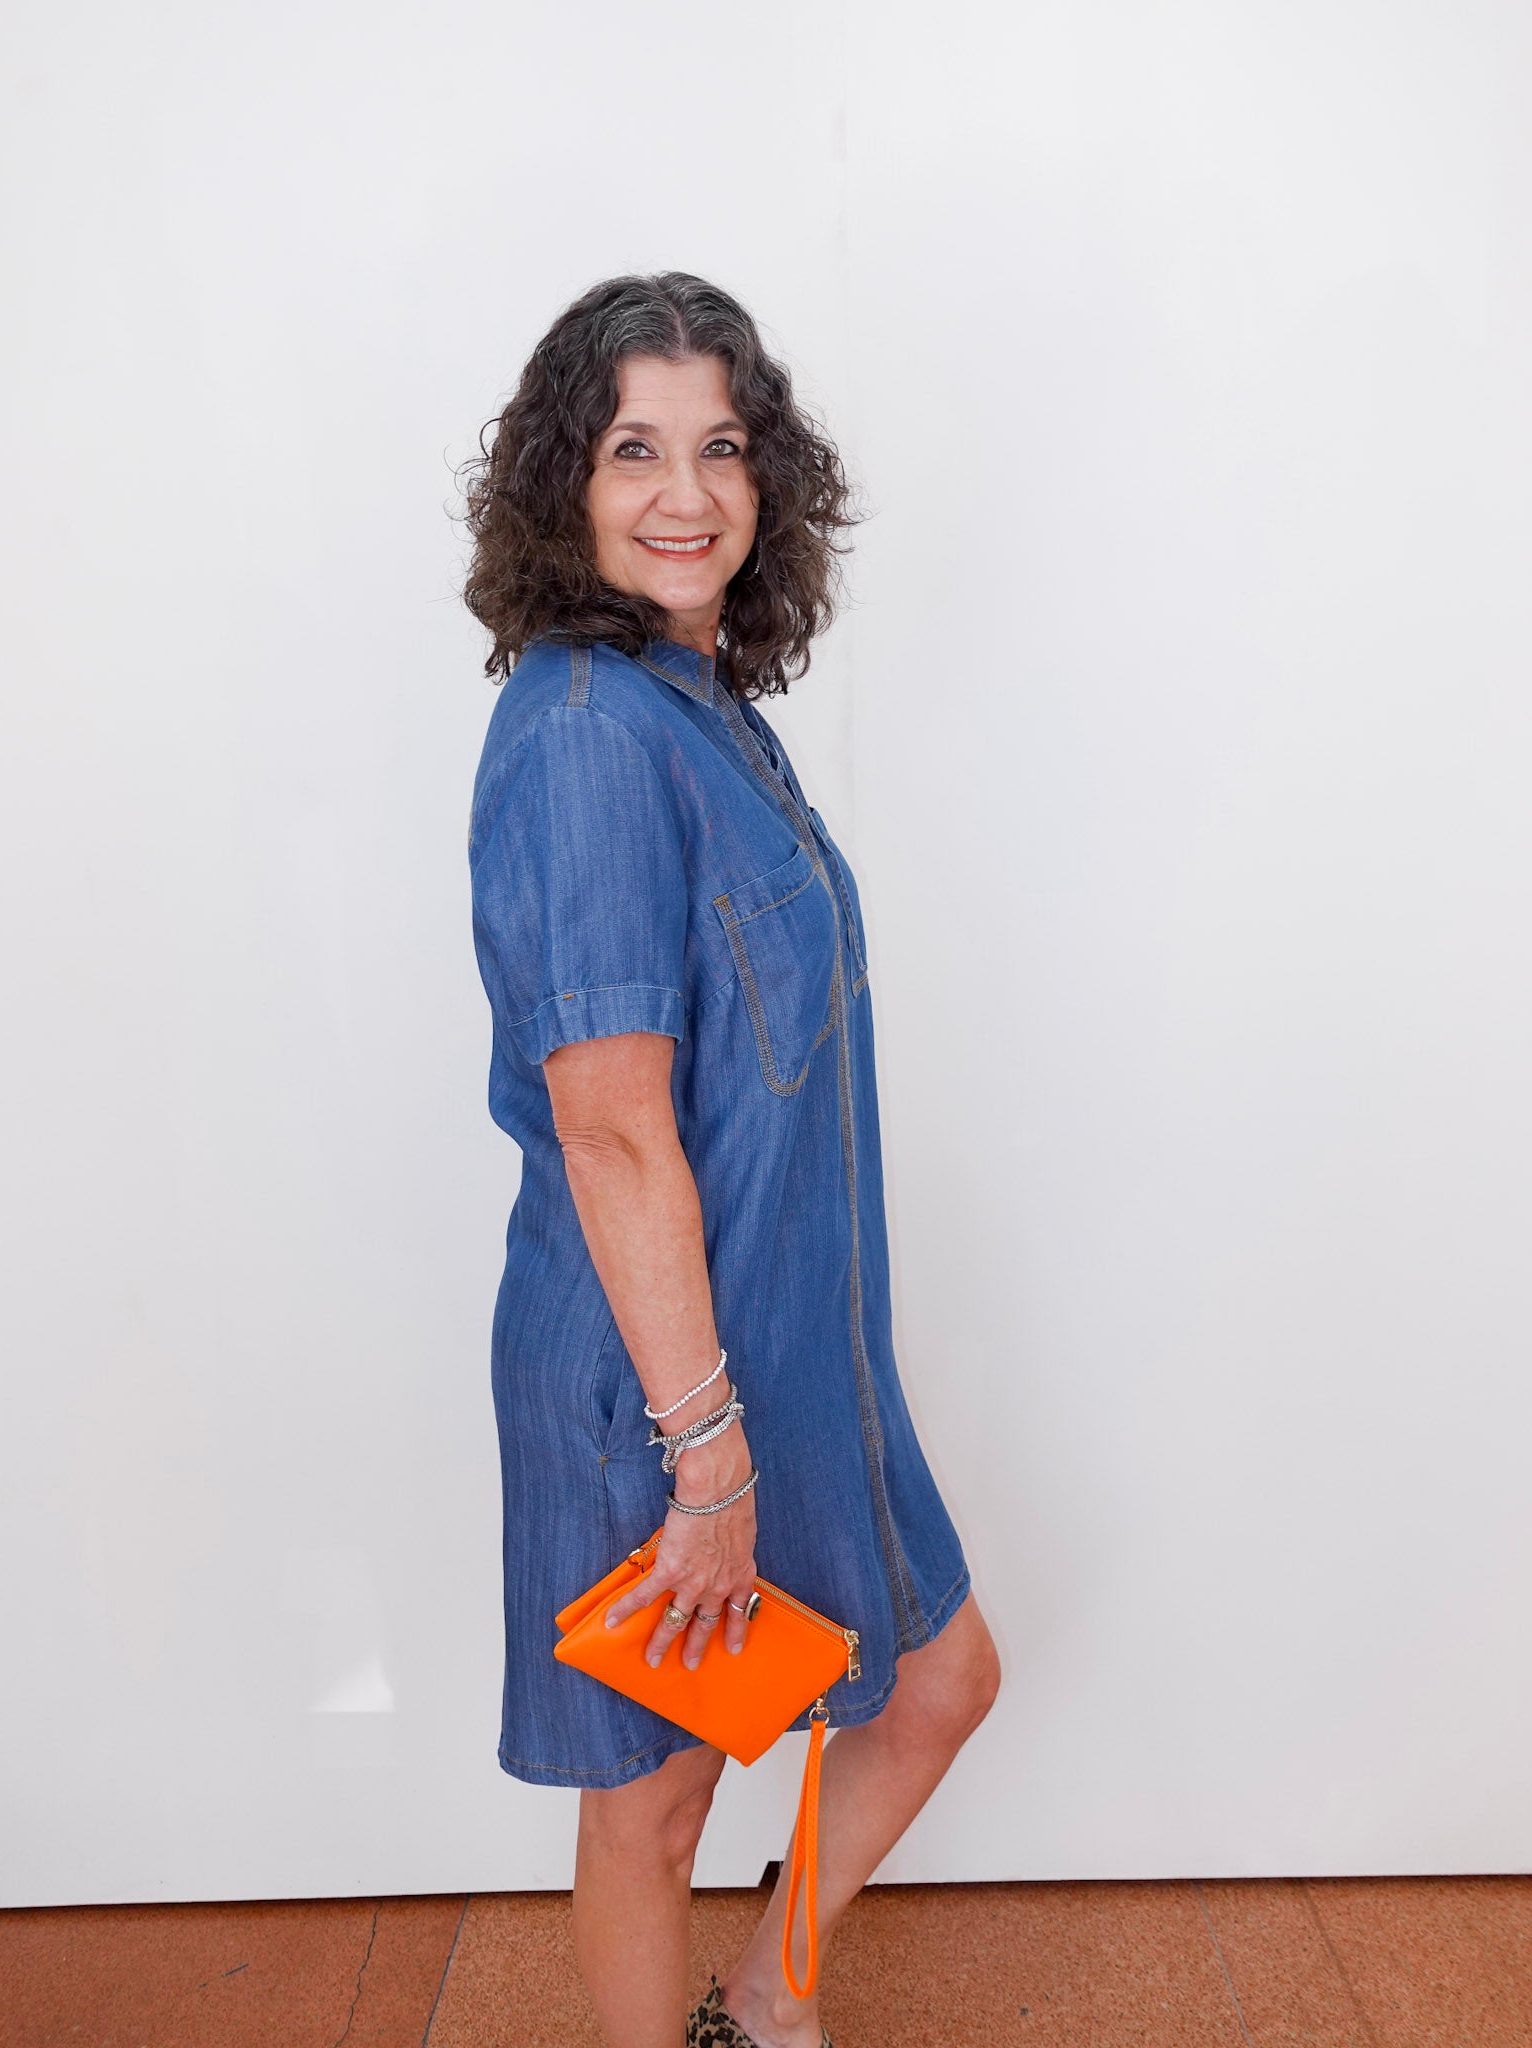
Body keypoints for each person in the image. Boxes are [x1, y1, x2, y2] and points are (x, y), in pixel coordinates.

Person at [460, 271, 1001, 2048]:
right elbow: (613, 1131)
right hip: (665, 1380)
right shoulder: (594, 739)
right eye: (634, 450)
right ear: (567, 486)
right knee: (662, 1800)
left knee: (933, 1680)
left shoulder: (693, 698)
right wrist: (705, 1462)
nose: (685, 491)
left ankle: (764, 2011)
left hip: (801, 1349)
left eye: (720, 447)